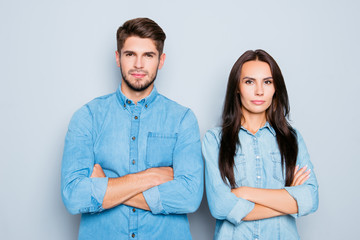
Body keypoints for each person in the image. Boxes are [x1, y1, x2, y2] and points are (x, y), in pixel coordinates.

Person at [61, 17, 203, 240]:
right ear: (118, 58)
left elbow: (189, 197)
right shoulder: (87, 117)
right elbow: (74, 196)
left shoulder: (182, 119)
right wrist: (151, 176)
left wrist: (105, 187)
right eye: (130, 54)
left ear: (161, 60)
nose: (139, 64)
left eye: (148, 55)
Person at [202, 49, 319, 239]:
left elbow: (310, 199)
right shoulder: (215, 140)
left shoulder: (292, 139)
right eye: (249, 82)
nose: (259, 91)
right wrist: (288, 200)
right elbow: (221, 206)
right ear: (237, 87)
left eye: (267, 82)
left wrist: (244, 192)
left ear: (276, 88)